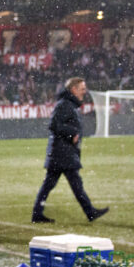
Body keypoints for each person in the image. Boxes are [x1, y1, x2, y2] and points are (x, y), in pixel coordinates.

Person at [31, 77, 109, 224]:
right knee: (72, 184)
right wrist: (72, 133)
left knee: (52, 184)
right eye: (82, 89)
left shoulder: (69, 105)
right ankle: (89, 211)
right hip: (62, 153)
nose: (84, 92)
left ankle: (37, 214)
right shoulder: (65, 105)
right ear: (73, 89)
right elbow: (53, 125)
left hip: (62, 152)